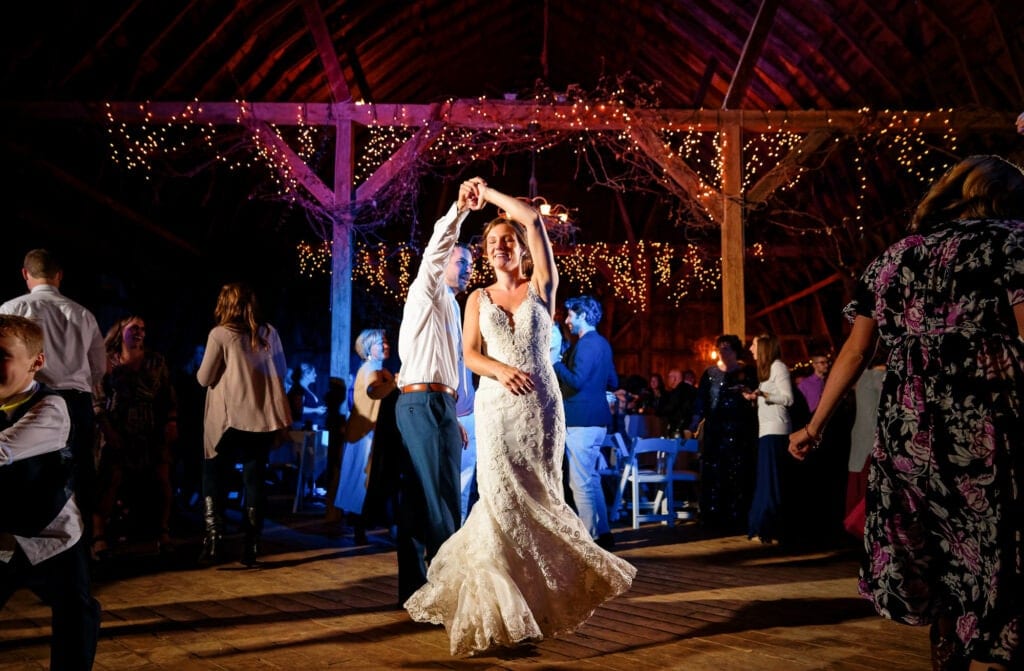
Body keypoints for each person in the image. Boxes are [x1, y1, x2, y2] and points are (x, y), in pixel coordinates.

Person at [789, 155, 1024, 670]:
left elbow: (854, 353)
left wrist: (814, 425)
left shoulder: (894, 258)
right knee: (997, 543)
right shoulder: (1014, 243)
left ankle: (947, 660)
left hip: (909, 428)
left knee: (933, 551)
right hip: (987, 420)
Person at [404, 179, 635, 656]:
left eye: (505, 240)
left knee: (540, 497)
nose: (498, 247)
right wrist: (500, 369)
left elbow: (532, 218)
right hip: (495, 406)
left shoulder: (543, 289)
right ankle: (501, 610)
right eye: (491, 243)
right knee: (499, 499)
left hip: (540, 409)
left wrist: (487, 198)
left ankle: (535, 603)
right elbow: (469, 353)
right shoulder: (475, 299)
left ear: (522, 250)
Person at [0, 314, 101, 670]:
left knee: (76, 613)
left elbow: (2, 449)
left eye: (2, 355)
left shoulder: (52, 408)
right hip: (4, 536)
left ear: (36, 362)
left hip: (53, 534)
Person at [393, 179, 476, 604]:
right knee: (439, 496)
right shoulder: (426, 291)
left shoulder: (455, 307)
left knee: (428, 494)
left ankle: (416, 588)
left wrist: (458, 415)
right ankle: (447, 588)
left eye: (469, 265)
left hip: (437, 403)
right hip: (421, 401)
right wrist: (459, 212)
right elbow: (434, 251)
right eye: (461, 261)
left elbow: (456, 367)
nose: (467, 269)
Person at [0, 249, 106, 546]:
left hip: (31, 400)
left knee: (32, 476)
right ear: (59, 276)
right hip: (77, 401)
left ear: (25, 274)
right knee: (80, 476)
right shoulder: (83, 313)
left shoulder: (12, 308)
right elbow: (99, 366)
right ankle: (81, 551)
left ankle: (30, 550)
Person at [196, 282, 292, 566]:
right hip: (260, 419)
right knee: (254, 479)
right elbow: (282, 370)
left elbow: (204, 378)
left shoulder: (220, 335)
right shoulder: (269, 333)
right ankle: (251, 545)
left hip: (229, 420)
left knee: (214, 475)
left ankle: (214, 542)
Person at [92, 315, 178, 558]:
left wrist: (171, 421)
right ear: (121, 332)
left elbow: (168, 395)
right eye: (134, 328)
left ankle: (162, 533)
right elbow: (97, 399)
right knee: (109, 479)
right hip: (117, 428)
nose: (140, 332)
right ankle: (99, 538)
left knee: (162, 478)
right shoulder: (108, 362)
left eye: (143, 328)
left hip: (149, 429)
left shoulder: (155, 361)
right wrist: (108, 430)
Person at [553, 294, 620, 549]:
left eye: (570, 315)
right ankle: (603, 532)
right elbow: (612, 380)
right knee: (590, 478)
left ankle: (590, 538)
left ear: (582, 315)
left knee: (579, 481)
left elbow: (577, 380)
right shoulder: (601, 343)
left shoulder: (587, 344)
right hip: (596, 420)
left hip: (581, 420)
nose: (567, 321)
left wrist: (556, 363)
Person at [686, 334, 758, 534]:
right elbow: (701, 401)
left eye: (728, 348)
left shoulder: (747, 372)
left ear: (736, 351)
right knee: (714, 472)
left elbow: (756, 398)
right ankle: (713, 517)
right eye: (721, 348)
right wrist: (693, 423)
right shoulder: (710, 374)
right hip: (715, 431)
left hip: (739, 430)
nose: (723, 352)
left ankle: (738, 517)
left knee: (738, 472)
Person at [334, 329, 397, 544]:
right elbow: (373, 390)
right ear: (369, 349)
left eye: (386, 341)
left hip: (370, 434)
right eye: (381, 343)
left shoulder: (379, 369)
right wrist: (393, 383)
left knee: (365, 480)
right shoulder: (371, 367)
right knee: (364, 479)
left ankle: (363, 525)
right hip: (366, 435)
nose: (386, 346)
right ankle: (362, 526)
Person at [742, 333, 793, 544]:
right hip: (766, 430)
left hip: (776, 430)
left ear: (763, 348)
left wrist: (764, 396)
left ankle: (772, 530)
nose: (751, 349)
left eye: (754, 345)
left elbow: (788, 398)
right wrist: (755, 398)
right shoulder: (765, 372)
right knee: (765, 480)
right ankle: (763, 529)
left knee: (771, 481)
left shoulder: (778, 367)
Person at [288, 362, 326, 430]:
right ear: (306, 375)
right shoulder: (298, 389)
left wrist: (318, 409)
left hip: (308, 426)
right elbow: (298, 408)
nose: (316, 375)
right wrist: (316, 410)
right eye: (313, 373)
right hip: (301, 427)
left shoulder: (305, 389)